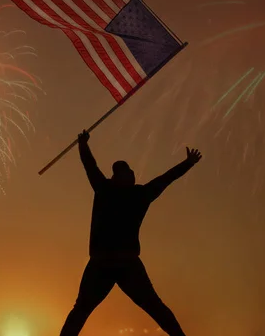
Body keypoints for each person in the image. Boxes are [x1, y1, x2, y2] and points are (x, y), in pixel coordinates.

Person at [59, 129, 202, 336]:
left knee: (152, 307)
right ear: (120, 177)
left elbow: (164, 179)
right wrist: (187, 164)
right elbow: (164, 179)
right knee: (85, 310)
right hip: (113, 263)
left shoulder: (112, 190)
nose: (132, 175)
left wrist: (83, 145)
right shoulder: (132, 193)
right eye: (127, 173)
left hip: (114, 263)